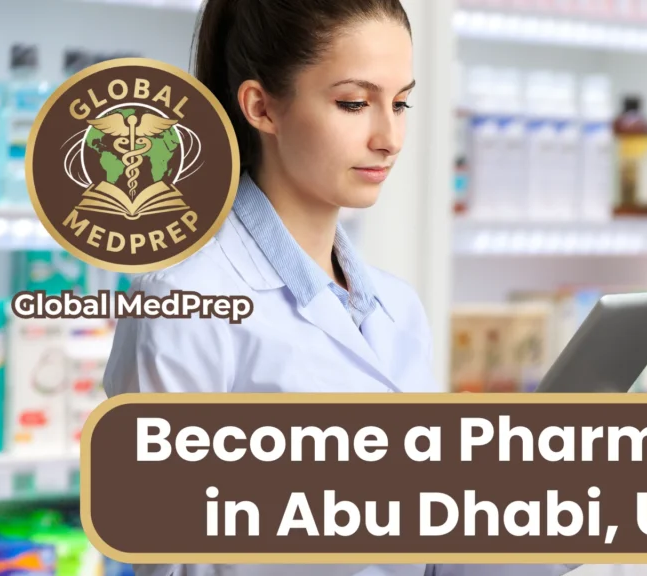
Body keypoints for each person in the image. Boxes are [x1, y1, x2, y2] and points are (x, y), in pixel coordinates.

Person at [102, 1, 581, 576]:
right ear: (262, 107)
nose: (389, 138)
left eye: (401, 103)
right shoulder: (183, 303)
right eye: (354, 104)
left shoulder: (395, 308)